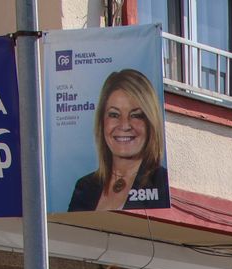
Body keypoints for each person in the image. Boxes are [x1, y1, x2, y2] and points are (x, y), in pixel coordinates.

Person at [67, 69, 169, 212]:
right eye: (114, 114)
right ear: (102, 122)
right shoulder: (85, 186)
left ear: (150, 123)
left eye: (136, 115)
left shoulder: (162, 182)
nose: (125, 125)